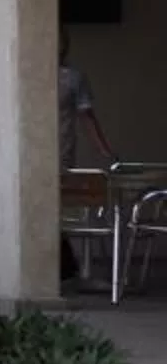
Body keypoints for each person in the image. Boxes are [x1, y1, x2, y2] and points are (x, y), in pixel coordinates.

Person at [61, 33, 114, 286]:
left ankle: (69, 269)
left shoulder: (73, 78)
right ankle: (68, 267)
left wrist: (104, 151)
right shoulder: (26, 73)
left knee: (62, 211)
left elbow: (86, 117)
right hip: (31, 156)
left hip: (62, 156)